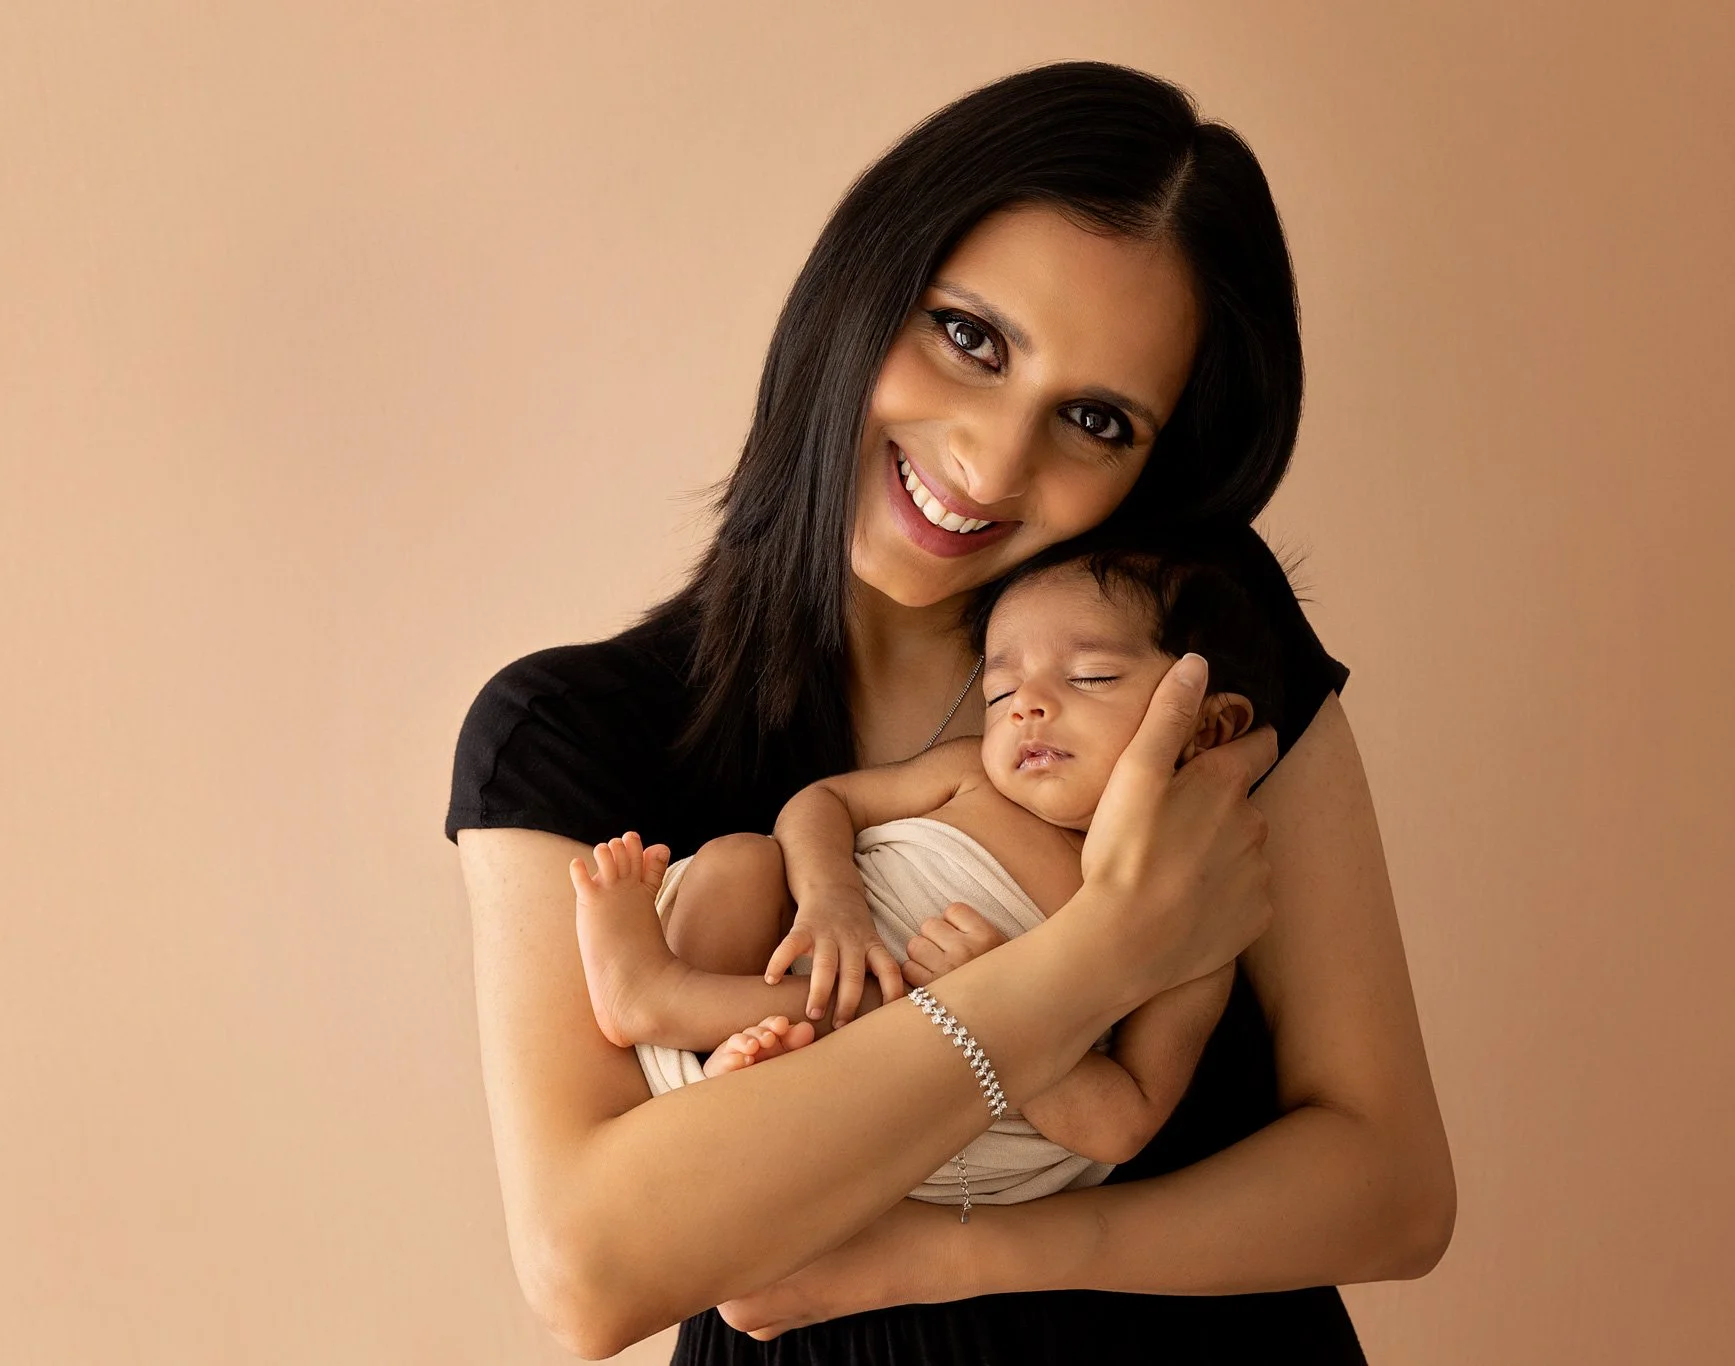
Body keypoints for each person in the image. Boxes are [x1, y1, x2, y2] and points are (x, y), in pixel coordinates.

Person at [447, 60, 1454, 1363]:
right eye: (970, 336)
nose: (989, 461)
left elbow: (1392, 1191)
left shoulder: (1190, 654)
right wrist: (1103, 955)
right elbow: (591, 1271)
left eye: (1095, 418)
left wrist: (978, 1249)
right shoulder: (573, 735)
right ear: (863, 287)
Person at [571, 531, 1290, 1212]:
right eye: (1001, 692)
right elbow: (822, 803)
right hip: (787, 988)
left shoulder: (1197, 919)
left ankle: (671, 1015)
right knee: (744, 859)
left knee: (901, 1017)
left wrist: (993, 999)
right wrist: (832, 897)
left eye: (1089, 676)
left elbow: (1123, 1125)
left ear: (1207, 727)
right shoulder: (968, 774)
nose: (1027, 709)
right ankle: (698, 1034)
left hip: (917, 1114)